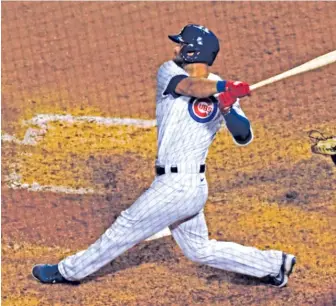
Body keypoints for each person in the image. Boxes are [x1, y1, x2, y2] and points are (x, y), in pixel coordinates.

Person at [32, 24, 296, 288]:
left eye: (181, 44)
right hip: (180, 186)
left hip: (181, 187)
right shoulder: (170, 72)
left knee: (126, 225)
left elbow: (243, 136)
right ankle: (273, 264)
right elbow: (191, 87)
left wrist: (228, 107)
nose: (175, 48)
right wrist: (225, 86)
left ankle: (68, 272)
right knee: (198, 250)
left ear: (193, 51)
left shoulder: (224, 95)